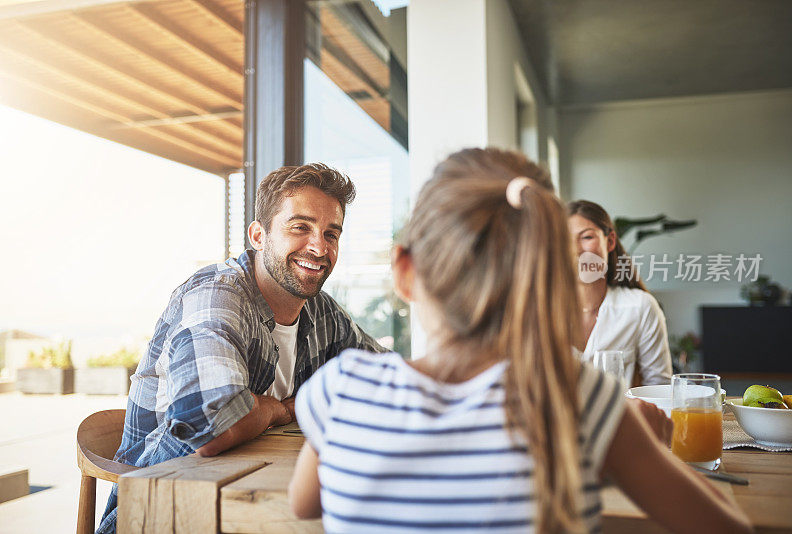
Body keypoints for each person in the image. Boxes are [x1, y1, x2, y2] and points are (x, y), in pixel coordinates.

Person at [287, 148, 751, 534]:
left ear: (405, 273)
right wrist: (619, 450)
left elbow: (305, 504)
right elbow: (727, 528)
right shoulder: (578, 398)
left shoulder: (343, 389)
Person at [97, 163, 386, 533]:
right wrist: (283, 409)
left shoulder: (321, 311)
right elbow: (212, 427)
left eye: (331, 233)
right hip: (162, 511)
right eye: (301, 227)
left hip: (255, 496)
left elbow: (387, 374)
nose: (319, 247)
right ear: (258, 235)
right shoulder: (216, 296)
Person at [568, 200, 672, 386]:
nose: (575, 250)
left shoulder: (640, 307)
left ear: (610, 241)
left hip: (620, 415)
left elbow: (659, 390)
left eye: (587, 237)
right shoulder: (538, 309)